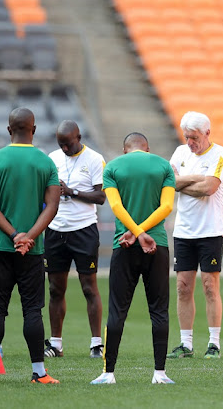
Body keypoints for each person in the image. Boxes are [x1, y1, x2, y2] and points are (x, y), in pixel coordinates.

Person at [0, 108, 60, 384]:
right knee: (32, 310)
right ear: (34, 129)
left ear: (8, 129)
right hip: (32, 251)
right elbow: (53, 206)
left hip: (2, 246)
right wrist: (29, 237)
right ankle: (39, 372)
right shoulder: (46, 163)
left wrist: (14, 235)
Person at [90, 132, 176, 385]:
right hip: (156, 245)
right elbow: (167, 207)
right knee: (159, 310)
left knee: (117, 309)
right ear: (147, 148)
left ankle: (108, 374)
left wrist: (134, 233)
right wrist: (144, 234)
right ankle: (160, 373)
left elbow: (116, 207)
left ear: (124, 149)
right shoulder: (163, 166)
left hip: (124, 245)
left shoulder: (113, 167)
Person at [167, 112, 223, 360]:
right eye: (187, 137)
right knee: (182, 287)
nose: (190, 142)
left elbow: (210, 188)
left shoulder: (220, 153)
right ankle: (186, 344)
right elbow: (169, 182)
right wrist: (195, 178)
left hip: (210, 231)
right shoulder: (180, 153)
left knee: (210, 286)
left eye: (194, 137)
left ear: (207, 134)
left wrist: (182, 181)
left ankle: (214, 343)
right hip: (183, 232)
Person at [44, 120, 106, 359]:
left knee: (89, 287)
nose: (65, 149)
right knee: (55, 288)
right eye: (61, 145)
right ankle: (56, 345)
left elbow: (101, 196)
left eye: (68, 144)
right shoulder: (52, 158)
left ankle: (96, 344)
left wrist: (72, 192)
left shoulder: (95, 159)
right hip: (56, 229)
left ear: (78, 137)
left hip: (83, 230)